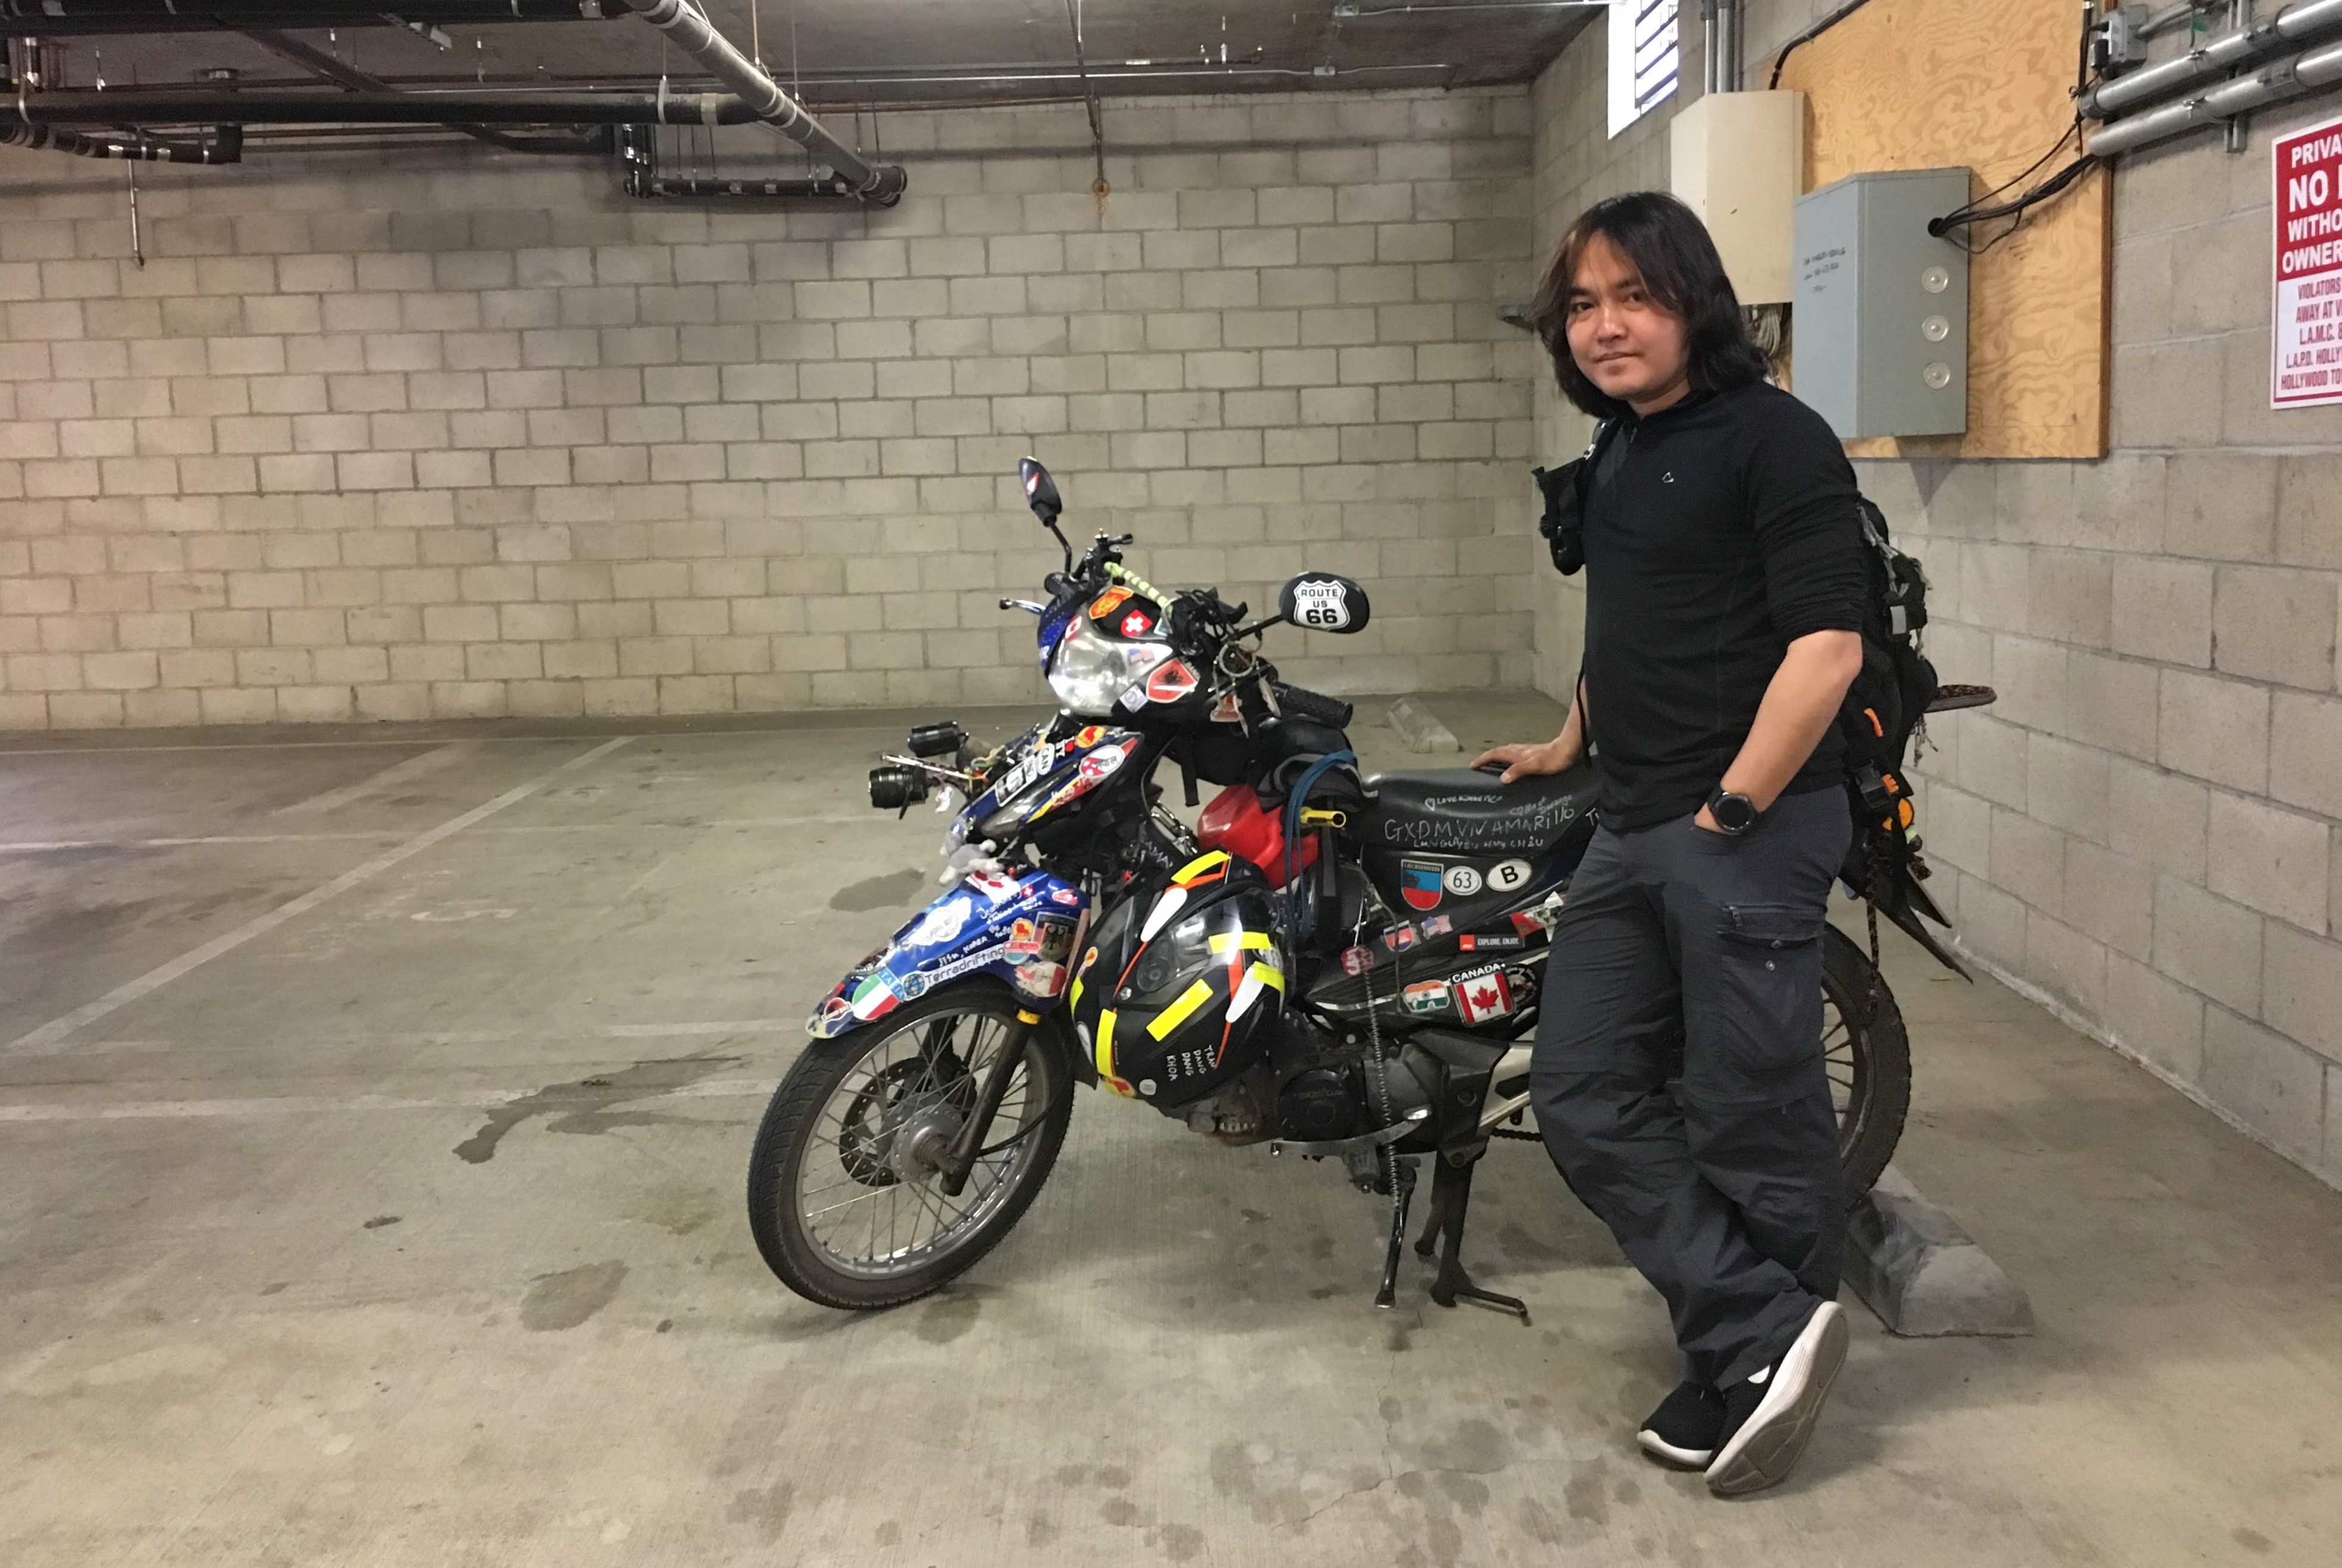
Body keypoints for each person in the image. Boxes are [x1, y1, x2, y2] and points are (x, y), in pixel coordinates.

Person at [1476, 191, 1868, 1497]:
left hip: (1737, 825)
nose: (1603, 327)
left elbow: (1825, 647)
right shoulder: (1617, 454)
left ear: (1692, 301)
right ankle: (1762, 1330)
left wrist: (1731, 813)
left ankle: (1754, 1358)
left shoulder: (1776, 441)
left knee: (1751, 1104)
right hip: (1631, 819)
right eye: (1581, 305)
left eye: (1631, 297)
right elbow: (1631, 632)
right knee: (1581, 1091)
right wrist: (1561, 742)